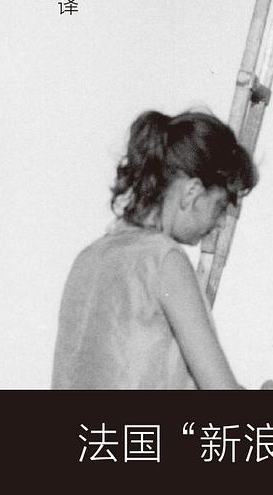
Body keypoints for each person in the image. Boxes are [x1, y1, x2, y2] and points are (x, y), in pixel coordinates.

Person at [52, 110, 258, 390]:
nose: (221, 222)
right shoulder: (165, 260)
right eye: (220, 206)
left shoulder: (89, 257)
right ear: (192, 192)